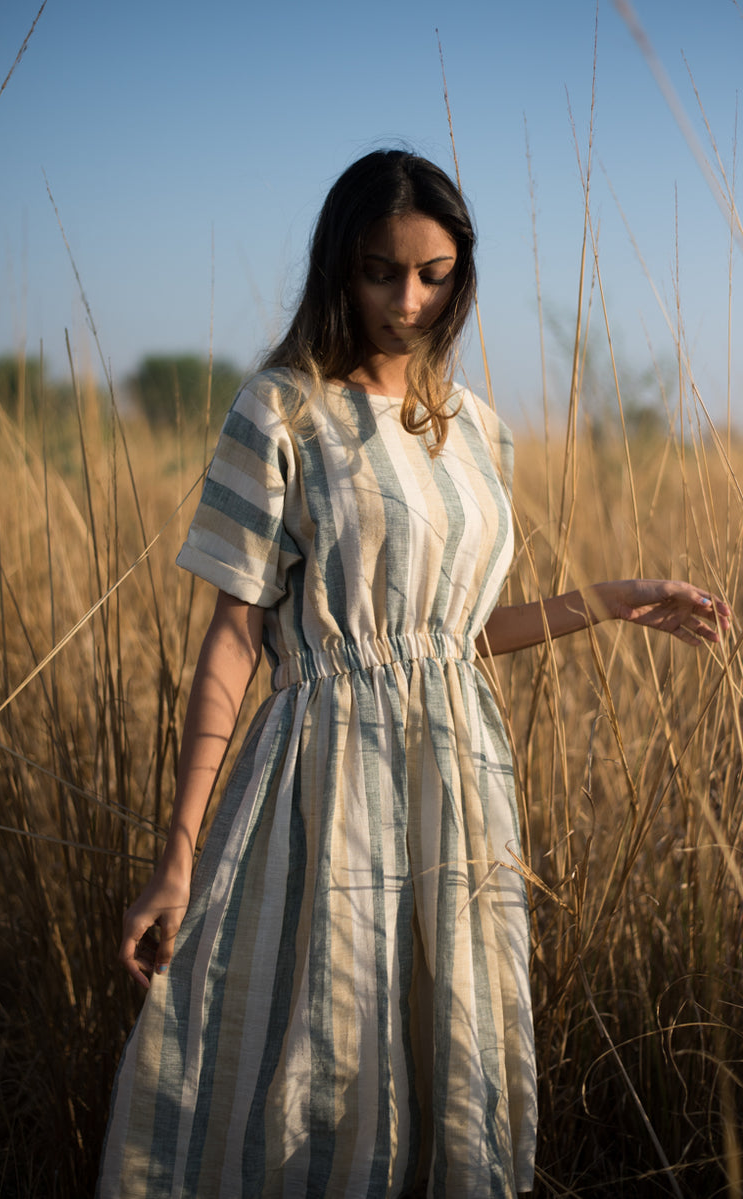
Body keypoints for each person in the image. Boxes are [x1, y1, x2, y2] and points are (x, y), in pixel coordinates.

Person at [96, 149, 730, 1199]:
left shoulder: (477, 429)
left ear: (460, 272)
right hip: (322, 773)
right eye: (381, 272)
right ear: (338, 270)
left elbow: (452, 634)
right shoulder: (282, 412)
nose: (407, 299)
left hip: (457, 776)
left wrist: (609, 600)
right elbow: (234, 632)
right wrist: (177, 853)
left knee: (448, 1044)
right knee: (318, 1044)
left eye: (433, 274)